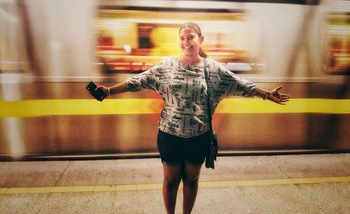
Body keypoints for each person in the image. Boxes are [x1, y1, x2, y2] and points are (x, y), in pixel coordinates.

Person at [92, 22, 291, 214]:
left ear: (200, 39)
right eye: (182, 38)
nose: (186, 42)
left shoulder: (213, 69)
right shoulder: (167, 65)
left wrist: (267, 95)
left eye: (190, 37)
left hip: (199, 136)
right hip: (170, 134)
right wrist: (109, 91)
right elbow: (139, 80)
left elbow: (241, 84)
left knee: (191, 180)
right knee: (171, 181)